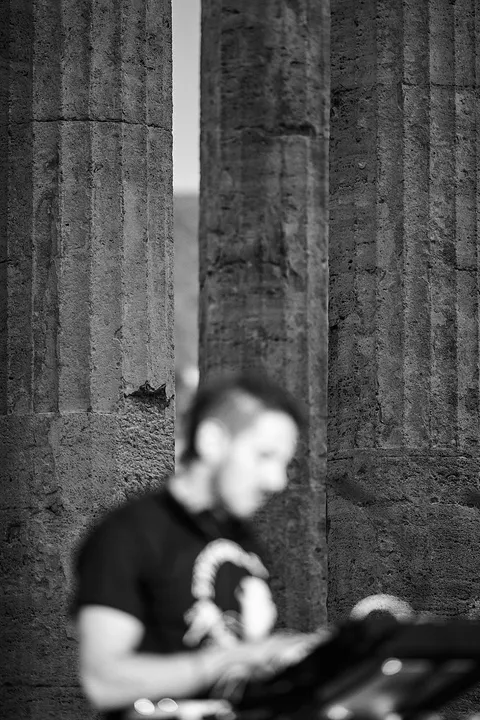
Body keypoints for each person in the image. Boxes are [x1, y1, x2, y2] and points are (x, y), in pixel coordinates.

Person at [72, 372, 325, 720]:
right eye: (264, 456)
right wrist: (238, 658)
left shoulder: (243, 541)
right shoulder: (127, 533)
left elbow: (243, 660)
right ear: (211, 441)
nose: (277, 481)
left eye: (284, 464)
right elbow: (104, 682)